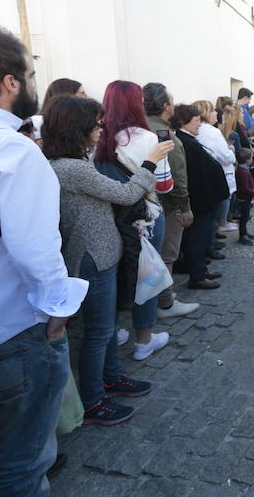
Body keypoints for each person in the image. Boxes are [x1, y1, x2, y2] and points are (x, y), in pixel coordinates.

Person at [0, 25, 87, 496]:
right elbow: (34, 247)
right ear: (10, 81)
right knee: (21, 462)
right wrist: (58, 311)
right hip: (9, 331)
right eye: (31, 73)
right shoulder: (10, 150)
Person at [44, 95, 172, 424]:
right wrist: (150, 161)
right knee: (99, 332)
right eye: (97, 124)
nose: (102, 128)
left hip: (99, 254)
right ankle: (93, 400)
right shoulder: (72, 168)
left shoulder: (70, 163)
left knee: (107, 327)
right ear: (79, 129)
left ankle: (112, 377)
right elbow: (127, 193)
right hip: (92, 258)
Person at [95, 80, 173, 360]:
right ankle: (144, 340)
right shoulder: (148, 138)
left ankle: (113, 332)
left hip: (109, 213)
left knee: (114, 274)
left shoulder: (97, 135)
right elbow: (163, 185)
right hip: (144, 216)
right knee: (146, 274)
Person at [143, 83, 199, 319]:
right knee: (166, 255)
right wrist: (184, 207)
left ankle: (159, 297)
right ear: (166, 106)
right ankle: (165, 303)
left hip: (146, 205)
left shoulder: (139, 128)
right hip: (166, 206)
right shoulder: (167, 137)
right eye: (172, 101)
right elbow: (177, 178)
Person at [172, 104, 229, 290]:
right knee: (195, 240)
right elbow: (190, 176)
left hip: (203, 199)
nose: (199, 124)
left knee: (201, 238)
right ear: (184, 122)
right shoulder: (184, 142)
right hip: (198, 201)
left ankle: (201, 270)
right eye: (196, 121)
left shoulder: (187, 139)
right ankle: (197, 276)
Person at [194, 100, 236, 252]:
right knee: (212, 215)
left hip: (205, 177)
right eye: (212, 111)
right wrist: (231, 151)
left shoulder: (202, 130)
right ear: (205, 113)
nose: (216, 113)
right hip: (218, 175)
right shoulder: (212, 132)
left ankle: (210, 242)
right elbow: (226, 157)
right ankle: (210, 246)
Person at [235, 147, 254, 245]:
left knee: (245, 217)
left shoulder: (242, 169)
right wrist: (253, 192)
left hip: (245, 197)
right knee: (244, 217)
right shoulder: (242, 172)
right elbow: (244, 187)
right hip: (244, 198)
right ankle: (242, 236)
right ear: (248, 160)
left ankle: (245, 233)